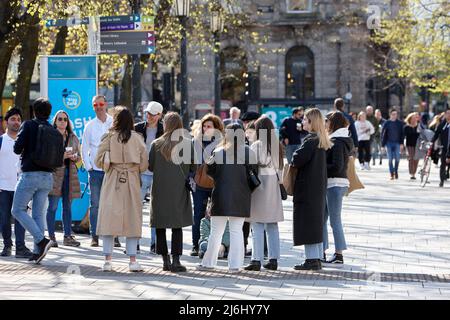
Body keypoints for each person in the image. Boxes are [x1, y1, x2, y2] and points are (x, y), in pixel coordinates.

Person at [94, 106, 148, 272]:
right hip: (131, 180)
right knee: (132, 219)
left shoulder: (108, 137)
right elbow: (144, 164)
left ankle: (108, 260)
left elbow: (97, 161)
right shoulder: (138, 138)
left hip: (112, 180)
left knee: (109, 219)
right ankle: (132, 260)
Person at [197, 124, 257, 273]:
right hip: (241, 196)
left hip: (221, 196)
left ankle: (208, 263)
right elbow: (255, 173)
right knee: (237, 232)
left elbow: (210, 172)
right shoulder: (249, 153)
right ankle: (235, 265)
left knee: (215, 232)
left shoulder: (218, 152)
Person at [149, 112, 196, 272]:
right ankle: (176, 260)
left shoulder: (156, 144)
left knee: (160, 225)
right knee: (177, 225)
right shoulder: (188, 143)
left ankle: (164, 260)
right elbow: (194, 167)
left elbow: (150, 166)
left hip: (160, 189)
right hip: (179, 190)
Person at [11, 98, 56, 264]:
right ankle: (38, 252)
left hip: (30, 175)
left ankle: (41, 240)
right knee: (38, 214)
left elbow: (17, 149)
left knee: (17, 210)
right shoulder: (51, 128)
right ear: (49, 112)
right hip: (48, 177)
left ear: (34, 111)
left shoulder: (29, 125)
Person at [291, 108, 332, 271]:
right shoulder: (321, 140)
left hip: (307, 187)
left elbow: (297, 159)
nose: (302, 122)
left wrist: (294, 155)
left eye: (305, 120)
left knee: (307, 223)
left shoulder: (310, 140)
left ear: (311, 122)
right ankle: (315, 258)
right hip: (317, 188)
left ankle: (310, 259)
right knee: (315, 224)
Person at [245, 116, 284, 271]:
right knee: (272, 224)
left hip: (259, 184)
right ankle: (273, 259)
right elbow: (281, 169)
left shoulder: (256, 145)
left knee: (257, 223)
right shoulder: (277, 146)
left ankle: (256, 259)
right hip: (274, 184)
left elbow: (250, 166)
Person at [81, 95, 115, 247]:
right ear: (93, 106)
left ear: (106, 104)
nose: (99, 107)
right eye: (96, 104)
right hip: (95, 171)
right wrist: (88, 167)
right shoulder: (89, 126)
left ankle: (114, 236)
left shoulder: (113, 123)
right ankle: (94, 236)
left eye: (101, 103)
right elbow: (84, 148)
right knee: (95, 205)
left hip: (111, 170)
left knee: (112, 204)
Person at [0, 108, 32, 258]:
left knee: (20, 217)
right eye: (13, 119)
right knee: (4, 218)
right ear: (6, 122)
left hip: (21, 186)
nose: (16, 122)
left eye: (19, 119)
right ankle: (7, 245)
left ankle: (20, 247)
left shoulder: (25, 142)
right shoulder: (1, 141)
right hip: (3, 187)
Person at [46, 111, 81, 247]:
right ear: (55, 121)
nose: (62, 121)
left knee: (67, 207)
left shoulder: (72, 137)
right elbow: (47, 157)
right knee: (53, 207)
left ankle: (67, 236)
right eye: (59, 119)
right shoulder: (50, 136)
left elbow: (78, 156)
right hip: (54, 175)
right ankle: (51, 237)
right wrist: (63, 156)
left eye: (65, 119)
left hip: (69, 174)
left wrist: (75, 157)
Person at [190, 114, 224, 256]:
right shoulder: (195, 141)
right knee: (198, 213)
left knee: (218, 214)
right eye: (204, 126)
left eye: (209, 126)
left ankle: (218, 245)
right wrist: (190, 178)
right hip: (199, 183)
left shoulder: (222, 142)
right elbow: (189, 162)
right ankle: (196, 245)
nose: (205, 129)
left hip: (217, 183)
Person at [323, 111, 353, 264]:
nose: (325, 124)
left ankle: (339, 254)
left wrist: (320, 166)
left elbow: (337, 166)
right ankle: (321, 250)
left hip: (335, 183)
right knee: (323, 218)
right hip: (334, 183)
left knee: (335, 220)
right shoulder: (340, 139)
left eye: (327, 121)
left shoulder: (338, 141)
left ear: (333, 123)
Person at [134, 101, 164, 254]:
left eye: (152, 114)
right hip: (140, 172)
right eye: (147, 113)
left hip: (157, 174)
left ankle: (155, 243)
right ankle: (135, 242)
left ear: (159, 115)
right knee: (136, 209)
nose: (149, 116)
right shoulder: (137, 128)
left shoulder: (164, 130)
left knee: (156, 210)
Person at [381, 108, 405, 180]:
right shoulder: (387, 123)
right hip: (388, 143)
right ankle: (391, 173)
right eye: (393, 114)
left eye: (396, 114)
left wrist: (402, 144)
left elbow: (402, 134)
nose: (395, 116)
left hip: (397, 143)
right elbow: (383, 134)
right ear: (390, 114)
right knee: (390, 159)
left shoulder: (400, 123)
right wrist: (382, 145)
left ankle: (396, 171)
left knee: (397, 159)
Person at [431, 108, 450, 187]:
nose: (449, 115)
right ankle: (441, 180)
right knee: (443, 164)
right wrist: (431, 142)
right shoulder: (442, 124)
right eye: (448, 113)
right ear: (445, 115)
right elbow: (436, 134)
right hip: (444, 147)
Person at [403, 112, 421, 180]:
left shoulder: (419, 126)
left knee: (416, 159)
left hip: (417, 145)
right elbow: (403, 136)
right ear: (410, 119)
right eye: (413, 118)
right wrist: (402, 145)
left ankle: (414, 172)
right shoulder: (406, 127)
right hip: (409, 145)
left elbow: (422, 134)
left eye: (415, 118)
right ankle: (411, 174)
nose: (414, 119)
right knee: (411, 158)